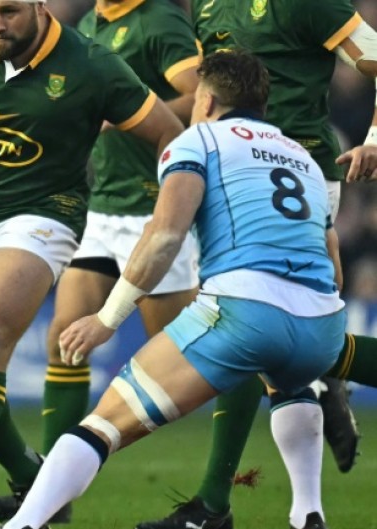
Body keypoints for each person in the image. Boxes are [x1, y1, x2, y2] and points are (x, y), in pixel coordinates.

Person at [0, 48, 346, 529]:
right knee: (290, 385)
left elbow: (164, 237)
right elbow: (332, 260)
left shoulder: (197, 141)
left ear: (204, 98)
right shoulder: (303, 158)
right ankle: (309, 513)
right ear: (263, 104)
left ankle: (22, 526)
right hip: (323, 322)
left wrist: (107, 319)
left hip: (245, 310)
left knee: (102, 425)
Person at [0, 1, 184, 527]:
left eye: (8, 11)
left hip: (43, 213)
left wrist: (166, 207)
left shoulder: (91, 64)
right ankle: (33, 474)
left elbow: (168, 130)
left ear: (40, 5)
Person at [137, 2, 377, 528]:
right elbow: (207, 90)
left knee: (250, 326)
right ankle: (300, 510)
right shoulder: (203, 4)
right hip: (229, 174)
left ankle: (215, 506)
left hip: (297, 172)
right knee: (273, 341)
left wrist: (375, 137)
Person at [0, 0, 201, 522]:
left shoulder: (157, 20)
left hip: (155, 207)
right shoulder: (90, 24)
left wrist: (127, 115)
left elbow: (200, 97)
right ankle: (49, 494)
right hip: (102, 208)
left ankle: (295, 386)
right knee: (64, 340)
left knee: (193, 355)